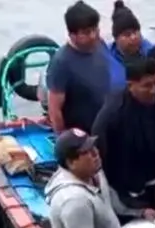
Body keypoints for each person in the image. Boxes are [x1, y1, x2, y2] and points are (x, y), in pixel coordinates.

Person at [92, 56, 155, 209]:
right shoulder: (112, 116)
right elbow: (104, 162)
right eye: (147, 86)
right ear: (130, 85)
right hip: (132, 188)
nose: (154, 90)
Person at [45, 1, 110, 133]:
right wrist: (65, 141)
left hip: (107, 127)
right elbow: (54, 109)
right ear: (72, 35)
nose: (93, 36)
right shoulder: (61, 63)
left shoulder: (101, 44)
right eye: (86, 33)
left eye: (95, 29)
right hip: (82, 135)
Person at [107, 0, 154, 91]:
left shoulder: (152, 53)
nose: (133, 37)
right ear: (116, 38)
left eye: (135, 32)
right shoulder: (105, 57)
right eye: (127, 34)